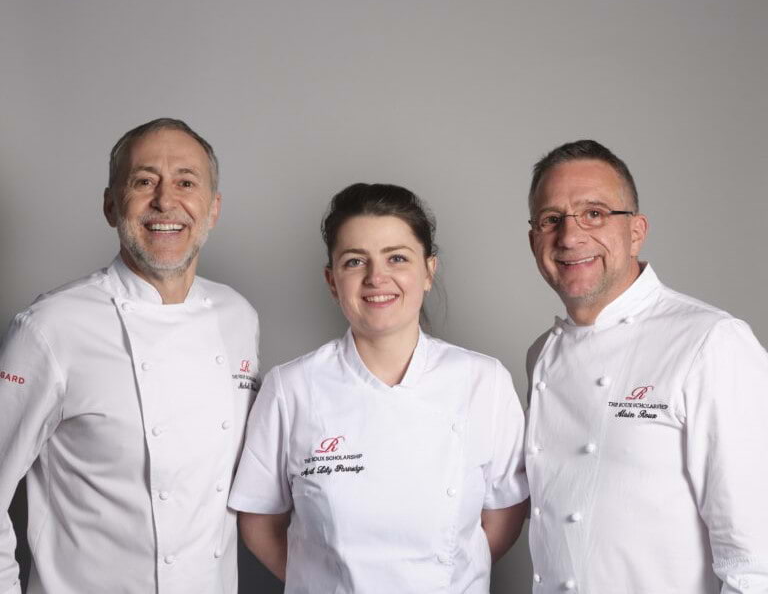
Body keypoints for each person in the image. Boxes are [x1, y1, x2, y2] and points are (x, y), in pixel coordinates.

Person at [0, 118, 260, 594]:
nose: (165, 201)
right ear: (109, 205)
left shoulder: (238, 317)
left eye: (186, 182)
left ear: (213, 208)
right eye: (144, 182)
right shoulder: (50, 327)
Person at [229, 183, 528, 593]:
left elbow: (504, 515)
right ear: (332, 280)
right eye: (355, 261)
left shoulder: (483, 381)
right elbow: (260, 521)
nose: (376, 278)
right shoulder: (290, 388)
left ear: (428, 271)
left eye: (398, 258)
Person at [525, 139, 768, 593]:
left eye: (594, 213)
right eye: (551, 219)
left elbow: (757, 560)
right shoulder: (541, 355)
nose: (570, 236)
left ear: (636, 231)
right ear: (534, 239)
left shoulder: (711, 342)